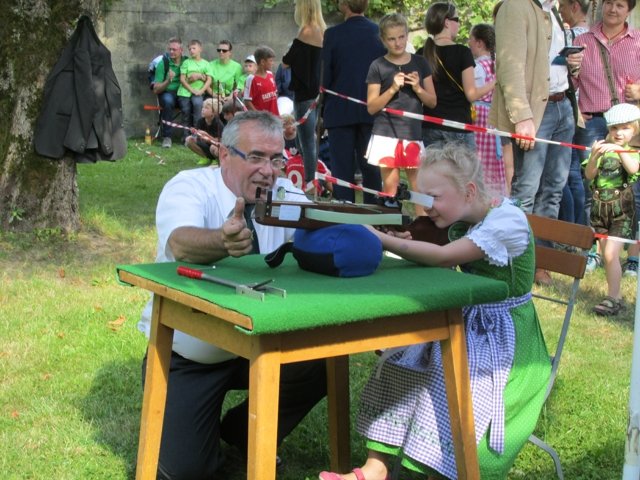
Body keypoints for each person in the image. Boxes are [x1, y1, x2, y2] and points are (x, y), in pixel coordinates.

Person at [319, 143, 551, 480]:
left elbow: (444, 257)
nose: (426, 206)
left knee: (445, 378)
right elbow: (437, 245)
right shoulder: (465, 217)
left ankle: (443, 469)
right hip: (464, 318)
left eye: (433, 197)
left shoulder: (506, 221)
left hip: (503, 335)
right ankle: (374, 469)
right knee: (400, 359)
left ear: (469, 191)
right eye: (421, 197)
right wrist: (410, 238)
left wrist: (382, 239)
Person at [136, 110, 327, 479]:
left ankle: (243, 432)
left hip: (261, 345)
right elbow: (180, 242)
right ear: (224, 154)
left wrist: (380, 232)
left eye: (276, 159)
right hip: (190, 356)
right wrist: (221, 241)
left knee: (321, 364)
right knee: (187, 473)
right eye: (255, 157)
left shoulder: (285, 193)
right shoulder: (188, 186)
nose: (268, 171)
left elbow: (326, 224)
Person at [490, 0, 584, 286]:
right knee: (526, 191)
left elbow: (548, 62)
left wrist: (572, 66)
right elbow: (509, 67)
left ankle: (541, 263)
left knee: (554, 190)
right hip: (535, 113)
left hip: (563, 105)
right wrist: (522, 117)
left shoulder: (551, 10)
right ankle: (517, 263)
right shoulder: (515, 6)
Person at [572, 0, 640, 275]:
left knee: (634, 191)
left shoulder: (638, 42)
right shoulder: (582, 40)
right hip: (594, 122)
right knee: (593, 188)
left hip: (630, 125)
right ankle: (594, 251)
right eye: (609, 3)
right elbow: (568, 83)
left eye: (620, 5)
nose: (613, 9)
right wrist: (576, 110)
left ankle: (632, 256)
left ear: (629, 10)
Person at [365, 13, 436, 210]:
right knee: (390, 189)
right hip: (385, 133)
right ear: (383, 40)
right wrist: (393, 89)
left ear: (407, 35)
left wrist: (418, 88)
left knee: (419, 188)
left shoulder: (421, 63)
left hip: (412, 133)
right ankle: (392, 225)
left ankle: (422, 226)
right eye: (391, 39)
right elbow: (372, 107)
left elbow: (432, 102)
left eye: (401, 37)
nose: (398, 43)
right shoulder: (377, 65)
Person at [321, 0, 386, 203]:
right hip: (373, 109)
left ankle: (344, 210)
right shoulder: (379, 33)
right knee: (372, 167)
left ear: (344, 5)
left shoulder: (333, 34)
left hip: (339, 110)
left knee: (341, 168)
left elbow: (324, 77)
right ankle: (374, 210)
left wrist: (322, 106)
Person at [584, 103, 640, 315]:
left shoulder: (632, 152)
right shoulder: (602, 149)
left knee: (610, 253)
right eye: (614, 128)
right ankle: (614, 295)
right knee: (609, 257)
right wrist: (594, 156)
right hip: (600, 210)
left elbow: (633, 169)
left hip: (621, 212)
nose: (619, 133)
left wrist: (619, 151)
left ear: (634, 130)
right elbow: (589, 175)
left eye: (625, 128)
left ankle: (613, 298)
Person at [419, 3, 495, 151]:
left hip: (430, 125)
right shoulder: (462, 52)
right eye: (457, 20)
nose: (459, 24)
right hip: (458, 125)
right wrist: (494, 82)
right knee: (463, 167)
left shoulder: (422, 52)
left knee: (435, 167)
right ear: (447, 22)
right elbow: (471, 95)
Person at [282, 0, 326, 185]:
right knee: (306, 140)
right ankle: (311, 178)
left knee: (306, 142)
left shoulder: (306, 31)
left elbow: (286, 61)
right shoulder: (322, 31)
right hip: (317, 92)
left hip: (304, 93)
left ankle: (310, 182)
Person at [557, 0, 590, 229]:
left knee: (568, 174)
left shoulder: (572, 38)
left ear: (575, 6)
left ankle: (572, 228)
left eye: (562, 7)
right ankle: (579, 227)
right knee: (576, 173)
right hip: (582, 111)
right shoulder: (593, 37)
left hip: (573, 111)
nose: (560, 12)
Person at [468, 23, 504, 197]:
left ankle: (481, 193)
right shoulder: (497, 64)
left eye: (471, 39)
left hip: (480, 117)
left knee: (479, 159)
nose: (468, 43)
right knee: (494, 161)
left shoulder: (477, 67)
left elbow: (474, 92)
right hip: (494, 115)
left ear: (479, 43)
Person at [153, 37, 187, 148]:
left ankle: (187, 137)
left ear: (181, 50)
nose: (171, 52)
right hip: (167, 92)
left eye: (174, 49)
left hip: (183, 92)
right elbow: (156, 89)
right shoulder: (163, 63)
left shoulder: (187, 62)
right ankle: (167, 137)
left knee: (192, 102)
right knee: (167, 101)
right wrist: (168, 80)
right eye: (170, 49)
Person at [177, 39, 211, 136]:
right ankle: (186, 136)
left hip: (198, 92)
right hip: (185, 92)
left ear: (200, 49)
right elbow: (182, 79)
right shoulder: (186, 63)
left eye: (194, 48)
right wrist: (192, 89)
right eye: (190, 49)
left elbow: (209, 80)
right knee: (186, 112)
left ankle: (196, 136)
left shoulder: (206, 64)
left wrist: (201, 91)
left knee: (198, 107)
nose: (191, 51)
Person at [185, 98, 225, 166]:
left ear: (214, 112)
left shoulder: (218, 124)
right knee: (189, 139)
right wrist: (195, 132)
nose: (202, 109)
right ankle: (205, 157)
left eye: (206, 108)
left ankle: (216, 159)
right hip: (205, 145)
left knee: (213, 147)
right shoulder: (200, 121)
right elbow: (197, 136)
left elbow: (220, 141)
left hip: (215, 147)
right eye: (203, 107)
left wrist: (207, 136)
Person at [243, 45, 279, 116]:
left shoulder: (270, 74)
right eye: (271, 60)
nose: (273, 63)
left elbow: (275, 94)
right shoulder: (251, 79)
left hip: (274, 117)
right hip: (261, 119)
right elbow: (247, 101)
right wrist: (259, 116)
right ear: (262, 62)